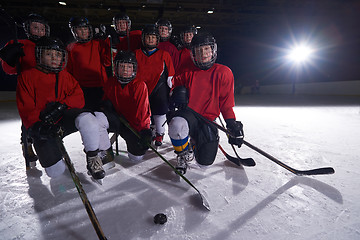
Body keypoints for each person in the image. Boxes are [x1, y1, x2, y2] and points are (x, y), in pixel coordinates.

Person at [16, 36, 111, 180]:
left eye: (58, 55)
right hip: (43, 127)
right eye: (49, 54)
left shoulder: (65, 76)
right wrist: (40, 128)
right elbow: (26, 109)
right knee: (55, 172)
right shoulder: (27, 77)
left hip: (63, 121)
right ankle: (53, 156)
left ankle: (93, 158)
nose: (54, 58)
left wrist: (61, 106)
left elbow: (78, 97)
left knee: (88, 119)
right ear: (39, 55)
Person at [167, 32, 244, 174]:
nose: (203, 53)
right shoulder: (186, 70)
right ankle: (183, 154)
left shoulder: (223, 72)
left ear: (213, 50)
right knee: (176, 125)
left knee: (204, 164)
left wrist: (231, 123)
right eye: (198, 50)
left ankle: (195, 142)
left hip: (208, 118)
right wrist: (176, 95)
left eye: (206, 49)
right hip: (188, 115)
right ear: (193, 53)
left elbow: (226, 103)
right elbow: (172, 88)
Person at [0, 13, 50, 168]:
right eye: (36, 27)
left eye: (42, 28)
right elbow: (9, 70)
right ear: (28, 29)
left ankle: (48, 143)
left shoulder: (49, 46)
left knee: (47, 117)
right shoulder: (19, 44)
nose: (39, 31)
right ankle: (27, 144)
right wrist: (10, 58)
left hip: (46, 89)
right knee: (28, 119)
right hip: (27, 89)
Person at [102, 51, 152, 161]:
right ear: (116, 67)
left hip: (132, 124)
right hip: (116, 119)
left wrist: (145, 130)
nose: (125, 70)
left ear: (134, 69)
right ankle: (105, 150)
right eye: (122, 66)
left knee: (136, 156)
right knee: (99, 120)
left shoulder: (139, 85)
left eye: (129, 67)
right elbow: (105, 101)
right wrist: (106, 107)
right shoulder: (110, 82)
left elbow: (142, 111)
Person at [134, 24, 175, 147]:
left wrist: (172, 89)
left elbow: (170, 74)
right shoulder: (136, 54)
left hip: (159, 87)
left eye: (153, 37)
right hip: (142, 89)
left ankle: (160, 133)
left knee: (159, 111)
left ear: (157, 39)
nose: (150, 40)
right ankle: (147, 131)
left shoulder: (164, 54)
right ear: (143, 39)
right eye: (148, 37)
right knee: (144, 112)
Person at [66, 16, 112, 110]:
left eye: (85, 28)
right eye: (79, 29)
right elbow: (68, 71)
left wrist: (106, 42)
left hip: (100, 87)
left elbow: (107, 62)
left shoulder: (98, 43)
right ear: (74, 31)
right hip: (81, 88)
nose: (83, 31)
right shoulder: (71, 48)